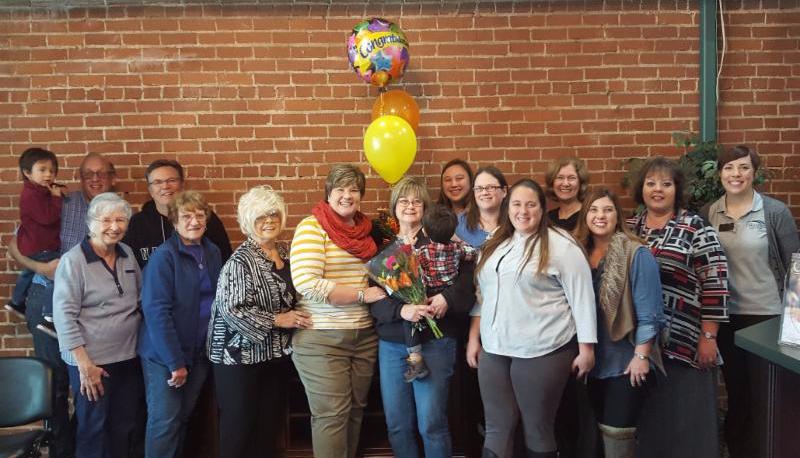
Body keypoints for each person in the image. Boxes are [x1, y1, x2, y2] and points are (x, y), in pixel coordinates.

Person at [467, 179, 597, 458]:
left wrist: (586, 348)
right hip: (495, 347)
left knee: (537, 427)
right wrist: (473, 338)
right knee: (496, 427)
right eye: (516, 204)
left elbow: (583, 298)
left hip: (542, 349)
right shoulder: (496, 243)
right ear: (507, 207)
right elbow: (483, 294)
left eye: (530, 205)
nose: (523, 211)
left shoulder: (562, 246)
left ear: (542, 208)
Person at [7, 152, 118, 458]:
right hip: (49, 299)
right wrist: (41, 267)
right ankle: (60, 450)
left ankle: (83, 447)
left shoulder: (119, 212)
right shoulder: (61, 203)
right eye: (88, 174)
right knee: (55, 384)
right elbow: (15, 245)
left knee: (94, 382)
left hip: (96, 310)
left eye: (102, 173)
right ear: (80, 178)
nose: (95, 179)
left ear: (112, 177)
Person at [701, 146, 800, 458]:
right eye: (729, 168)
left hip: (767, 317)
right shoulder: (708, 213)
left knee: (766, 396)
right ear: (720, 174)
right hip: (727, 318)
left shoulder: (774, 212)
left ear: (754, 173)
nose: (736, 174)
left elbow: (796, 268)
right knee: (738, 393)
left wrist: (795, 321)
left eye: (743, 167)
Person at [629, 157, 729, 458]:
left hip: (686, 340)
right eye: (651, 183)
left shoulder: (695, 227)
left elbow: (716, 282)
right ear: (641, 188)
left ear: (677, 189)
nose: (657, 189)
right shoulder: (631, 228)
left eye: (666, 184)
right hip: (642, 345)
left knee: (689, 422)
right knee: (653, 421)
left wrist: (708, 336)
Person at [370, 177, 476, 458]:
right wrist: (401, 310)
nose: (410, 206)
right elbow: (375, 301)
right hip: (392, 344)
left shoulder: (444, 240)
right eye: (404, 201)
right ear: (394, 207)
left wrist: (447, 298)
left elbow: (469, 282)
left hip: (435, 342)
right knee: (397, 425)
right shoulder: (383, 250)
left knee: (432, 424)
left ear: (426, 208)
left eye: (417, 201)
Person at [289, 164, 387, 458]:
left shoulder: (366, 231)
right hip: (321, 337)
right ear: (329, 193)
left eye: (354, 189)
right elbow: (307, 282)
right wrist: (361, 295)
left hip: (363, 336)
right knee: (331, 415)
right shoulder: (312, 227)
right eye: (340, 189)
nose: (347, 195)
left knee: (355, 411)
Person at [208, 185, 308, 458]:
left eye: (274, 214)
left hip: (274, 354)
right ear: (248, 221)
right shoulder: (240, 262)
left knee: (268, 428)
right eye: (261, 216)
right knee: (239, 430)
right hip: (238, 358)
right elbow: (232, 310)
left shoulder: (286, 253)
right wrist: (279, 319)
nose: (269, 220)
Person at [574, 188, 665, 457]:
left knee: (617, 436)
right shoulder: (577, 254)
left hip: (625, 362)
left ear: (617, 216)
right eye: (593, 210)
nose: (600, 216)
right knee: (591, 439)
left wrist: (642, 356)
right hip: (589, 362)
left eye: (608, 210)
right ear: (585, 215)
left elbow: (651, 314)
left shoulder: (636, 254)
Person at [52, 192, 144, 458]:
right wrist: (84, 365)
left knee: (123, 426)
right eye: (106, 220)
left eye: (120, 220)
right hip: (92, 363)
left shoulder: (127, 253)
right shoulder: (73, 261)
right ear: (91, 222)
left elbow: (140, 298)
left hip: (128, 358)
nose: (114, 227)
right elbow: (64, 316)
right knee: (94, 430)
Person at [138, 191, 222, 458]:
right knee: (164, 422)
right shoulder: (164, 257)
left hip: (198, 353)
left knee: (182, 417)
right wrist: (175, 362)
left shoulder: (212, 251)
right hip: (165, 356)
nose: (194, 221)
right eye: (186, 216)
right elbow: (156, 313)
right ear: (174, 222)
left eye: (199, 215)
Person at [402, 204, 477, 382]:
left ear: (425, 231)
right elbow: (473, 253)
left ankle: (415, 358)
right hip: (445, 295)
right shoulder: (457, 249)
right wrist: (460, 242)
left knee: (410, 322)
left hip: (426, 294)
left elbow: (408, 263)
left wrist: (408, 246)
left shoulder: (423, 251)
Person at [123, 159, 232, 268]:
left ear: (182, 185)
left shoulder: (204, 218)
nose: (165, 186)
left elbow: (225, 260)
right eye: (157, 182)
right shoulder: (137, 224)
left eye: (171, 180)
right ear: (150, 190)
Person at [6, 147, 63, 333]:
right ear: (27, 172)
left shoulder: (38, 191)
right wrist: (56, 199)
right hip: (41, 246)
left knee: (28, 272)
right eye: (42, 170)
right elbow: (47, 218)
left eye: (52, 171)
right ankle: (50, 316)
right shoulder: (31, 195)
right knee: (58, 274)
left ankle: (16, 302)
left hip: (33, 244)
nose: (48, 175)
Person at [456, 166, 508, 248]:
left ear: (504, 191)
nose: (484, 193)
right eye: (479, 188)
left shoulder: (515, 224)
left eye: (490, 187)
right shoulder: (458, 224)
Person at [545, 157, 589, 231]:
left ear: (581, 183)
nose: (565, 183)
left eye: (571, 178)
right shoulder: (548, 218)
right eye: (560, 177)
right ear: (552, 183)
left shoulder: (588, 215)